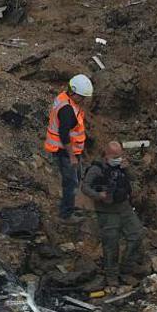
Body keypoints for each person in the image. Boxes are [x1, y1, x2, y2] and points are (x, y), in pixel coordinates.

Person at [81, 140, 144, 289]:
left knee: (137, 234)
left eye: (120, 155)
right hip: (107, 211)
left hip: (124, 207)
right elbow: (85, 187)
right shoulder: (97, 169)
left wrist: (127, 169)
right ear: (107, 154)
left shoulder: (121, 165)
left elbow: (133, 178)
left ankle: (126, 267)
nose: (118, 158)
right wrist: (98, 195)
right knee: (111, 244)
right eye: (115, 156)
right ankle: (111, 275)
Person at [43, 74, 93, 220]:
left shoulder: (65, 98)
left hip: (70, 150)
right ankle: (66, 214)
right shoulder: (67, 110)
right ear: (73, 91)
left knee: (75, 178)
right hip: (64, 152)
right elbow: (64, 134)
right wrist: (72, 156)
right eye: (81, 97)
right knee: (70, 183)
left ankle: (71, 205)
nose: (83, 100)